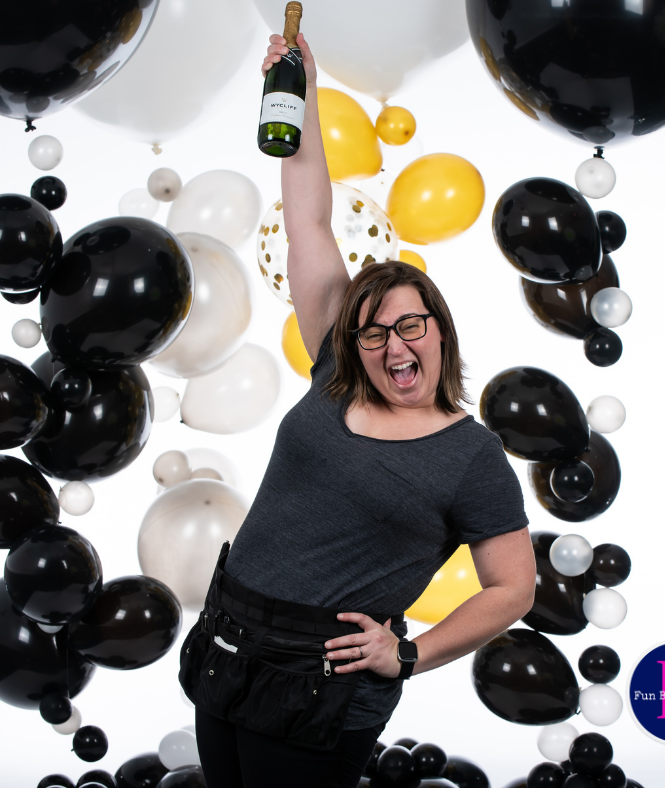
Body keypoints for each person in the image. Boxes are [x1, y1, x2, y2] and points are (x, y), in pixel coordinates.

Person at [180, 32, 536, 788]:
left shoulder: (471, 457)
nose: (393, 345)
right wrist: (300, 91)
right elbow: (308, 216)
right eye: (374, 331)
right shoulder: (337, 370)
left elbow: (514, 588)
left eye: (412, 325)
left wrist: (406, 654)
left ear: (439, 332)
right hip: (230, 638)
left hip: (321, 683)